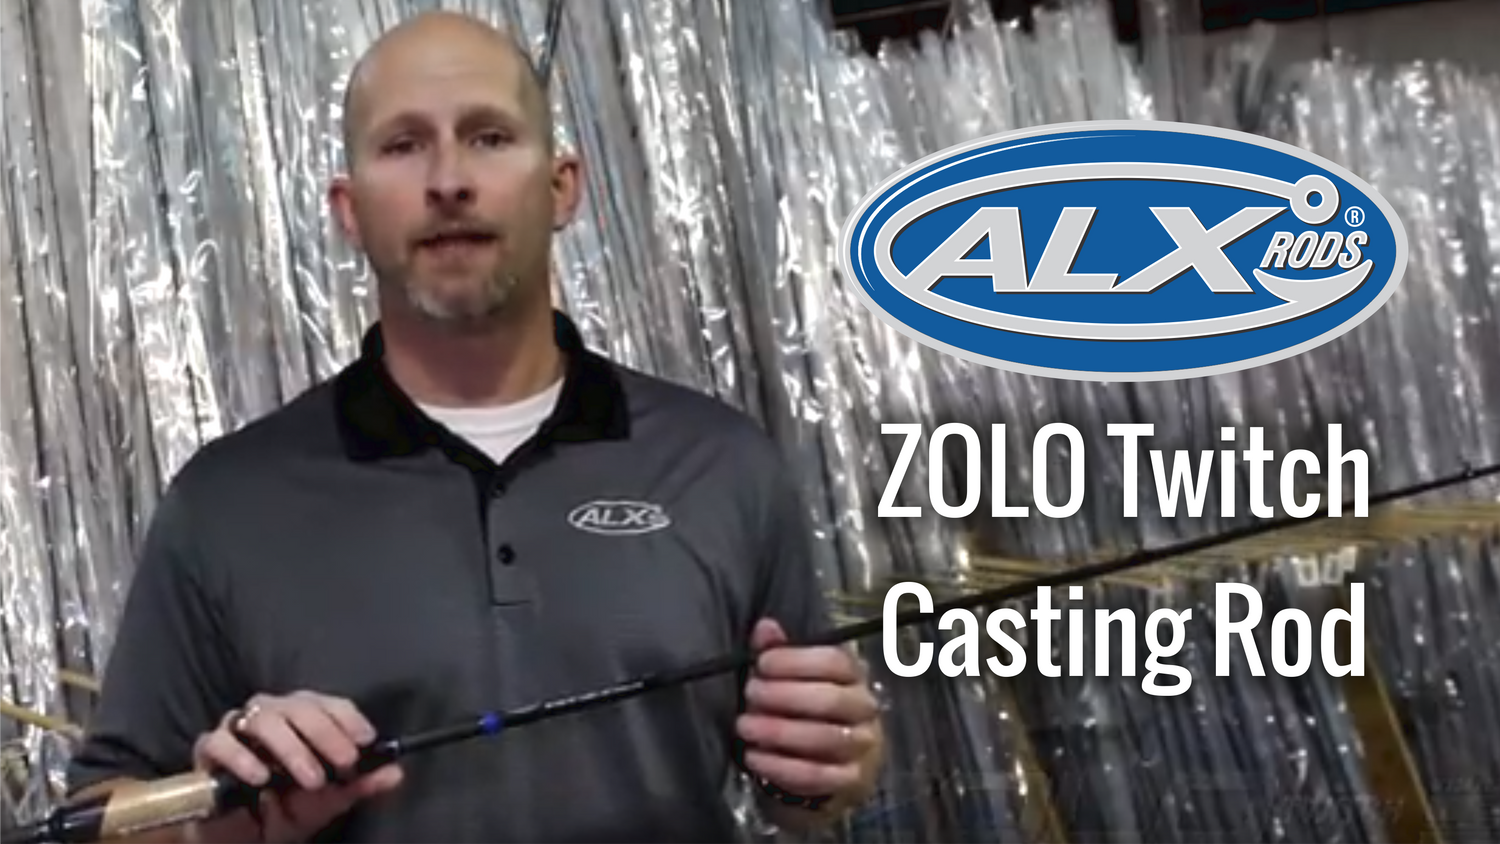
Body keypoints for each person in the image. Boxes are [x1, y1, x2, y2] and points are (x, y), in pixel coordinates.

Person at [65, 10, 885, 844]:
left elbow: (799, 792)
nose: (449, 179)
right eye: (402, 145)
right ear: (349, 210)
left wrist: (823, 775)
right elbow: (95, 824)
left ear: (562, 186)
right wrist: (222, 826)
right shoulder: (226, 503)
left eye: (489, 137)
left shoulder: (725, 465)